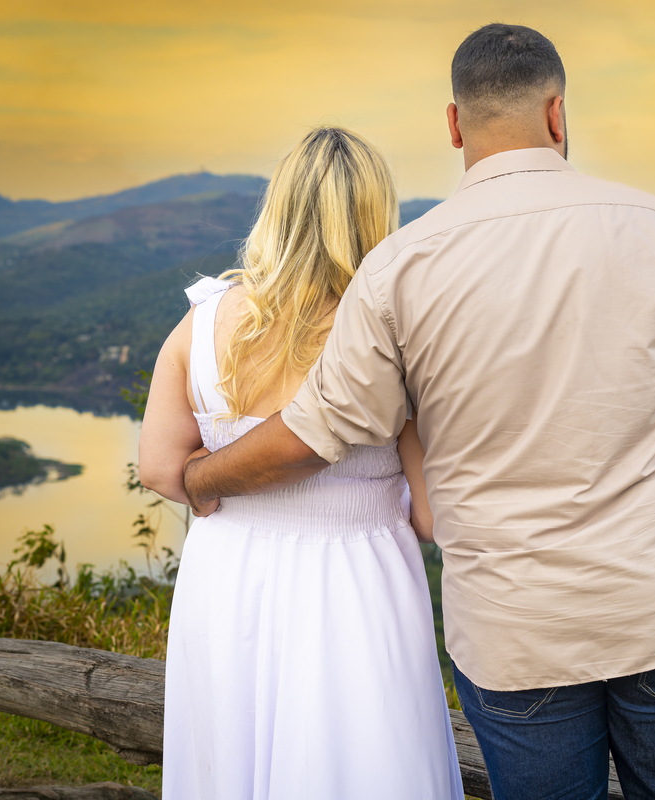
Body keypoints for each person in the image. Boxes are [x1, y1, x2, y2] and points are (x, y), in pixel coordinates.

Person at [183, 23, 655, 800]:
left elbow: (315, 433)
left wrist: (200, 476)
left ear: (454, 124)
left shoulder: (400, 268)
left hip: (511, 631)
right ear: (557, 113)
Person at [138, 127, 462, 799]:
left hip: (226, 576)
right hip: (358, 582)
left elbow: (159, 470)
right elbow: (434, 516)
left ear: (277, 209)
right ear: (379, 215)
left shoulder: (200, 326)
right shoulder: (392, 336)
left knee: (230, 758)